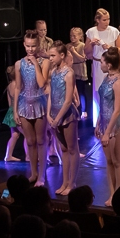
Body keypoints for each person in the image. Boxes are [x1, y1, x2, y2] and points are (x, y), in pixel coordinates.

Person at [14, 30, 50, 186]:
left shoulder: (45, 62)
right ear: (24, 45)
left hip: (39, 103)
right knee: (30, 141)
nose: (30, 49)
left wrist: (36, 64)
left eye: (33, 46)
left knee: (41, 140)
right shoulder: (18, 64)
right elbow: (17, 87)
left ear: (38, 45)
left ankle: (42, 175)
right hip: (24, 104)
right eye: (28, 46)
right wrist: (15, 110)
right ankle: (34, 173)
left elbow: (42, 84)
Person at [46, 41, 80, 196]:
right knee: (63, 149)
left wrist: (58, 118)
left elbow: (67, 100)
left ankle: (72, 183)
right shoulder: (53, 72)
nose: (50, 59)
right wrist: (48, 114)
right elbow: (51, 95)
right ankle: (65, 182)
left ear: (62, 55)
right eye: (49, 56)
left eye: (53, 56)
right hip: (54, 115)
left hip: (67, 116)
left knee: (72, 149)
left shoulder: (69, 73)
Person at [96, 47, 120, 206]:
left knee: (117, 161)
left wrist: (107, 132)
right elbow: (103, 103)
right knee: (109, 161)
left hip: (115, 125)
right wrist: (98, 123)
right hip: (104, 123)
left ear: (108, 65)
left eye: (102, 62)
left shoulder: (119, 82)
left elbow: (117, 110)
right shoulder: (106, 78)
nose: (100, 64)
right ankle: (112, 193)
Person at [85, 8, 120, 127]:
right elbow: (86, 51)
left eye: (108, 19)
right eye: (104, 20)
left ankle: (114, 120)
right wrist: (91, 44)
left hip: (112, 64)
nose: (107, 22)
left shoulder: (114, 31)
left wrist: (110, 47)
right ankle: (99, 122)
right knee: (99, 92)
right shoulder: (91, 31)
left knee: (112, 91)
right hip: (98, 64)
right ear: (97, 20)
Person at [67, 27, 88, 120]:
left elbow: (83, 58)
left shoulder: (82, 45)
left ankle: (83, 110)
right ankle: (74, 110)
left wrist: (74, 52)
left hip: (80, 69)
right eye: (71, 36)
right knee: (71, 91)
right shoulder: (68, 45)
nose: (72, 38)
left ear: (80, 36)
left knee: (81, 91)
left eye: (74, 36)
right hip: (71, 69)